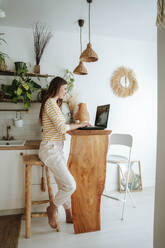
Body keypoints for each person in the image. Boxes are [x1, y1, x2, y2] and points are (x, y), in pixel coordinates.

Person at [38, 76, 89, 230]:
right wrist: (79, 126)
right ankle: (53, 208)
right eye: (65, 88)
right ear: (57, 87)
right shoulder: (50, 103)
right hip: (50, 149)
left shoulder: (54, 104)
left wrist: (77, 125)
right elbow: (62, 128)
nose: (66, 92)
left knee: (63, 183)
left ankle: (68, 213)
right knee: (70, 185)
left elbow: (61, 125)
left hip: (56, 148)